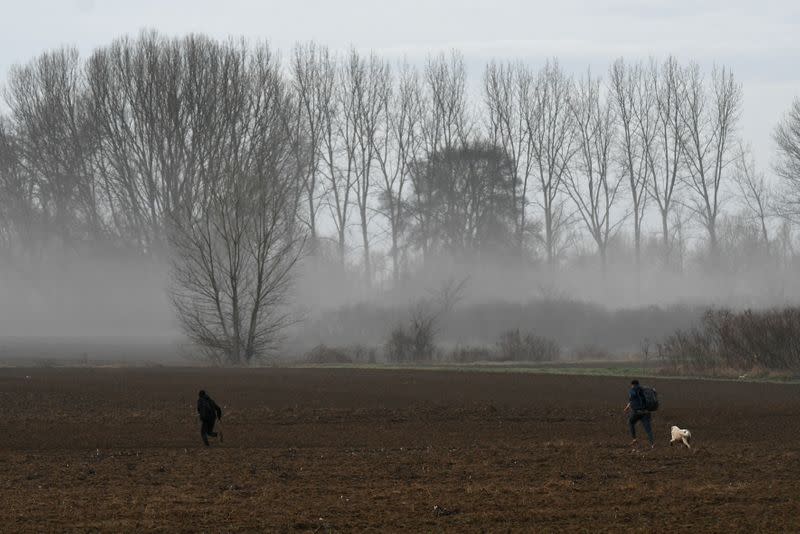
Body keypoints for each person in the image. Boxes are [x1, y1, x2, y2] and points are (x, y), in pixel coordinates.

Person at [623, 379, 654, 449]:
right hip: (646, 412)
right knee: (648, 429)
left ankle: (634, 439)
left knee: (631, 422)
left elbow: (632, 399)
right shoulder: (644, 390)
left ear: (632, 385)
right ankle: (652, 444)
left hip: (637, 412)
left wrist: (627, 407)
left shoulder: (633, 390)